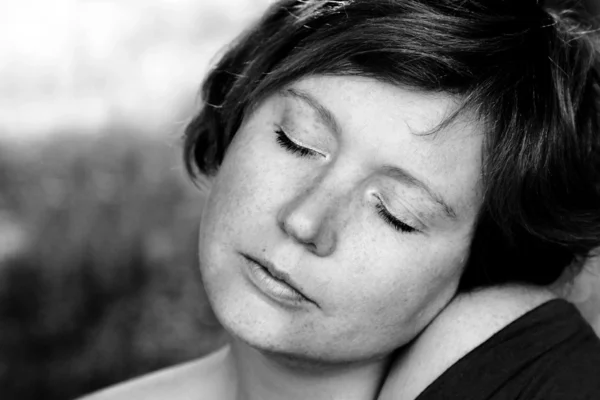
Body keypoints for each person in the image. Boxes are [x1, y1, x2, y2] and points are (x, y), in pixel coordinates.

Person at [82, 0, 600, 399]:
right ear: (240, 111)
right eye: (296, 140)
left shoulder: (528, 366)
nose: (305, 220)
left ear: (486, 272)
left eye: (396, 213)